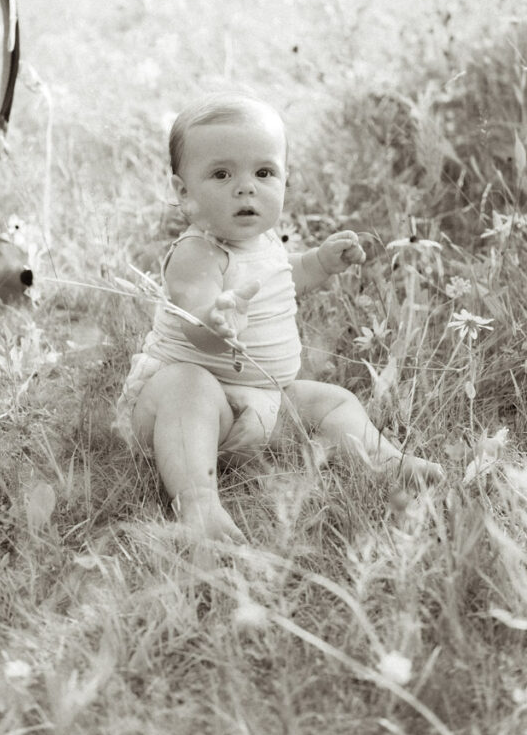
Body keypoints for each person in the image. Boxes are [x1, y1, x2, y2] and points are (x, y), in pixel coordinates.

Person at [116, 94, 444, 542]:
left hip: (267, 401)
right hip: (194, 407)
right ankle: (199, 505)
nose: (245, 187)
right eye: (221, 174)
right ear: (183, 193)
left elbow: (288, 277)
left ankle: (390, 463)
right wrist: (216, 322)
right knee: (187, 384)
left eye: (263, 173)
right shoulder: (196, 253)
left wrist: (322, 263)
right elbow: (196, 319)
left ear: (285, 180)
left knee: (333, 400)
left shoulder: (265, 243)